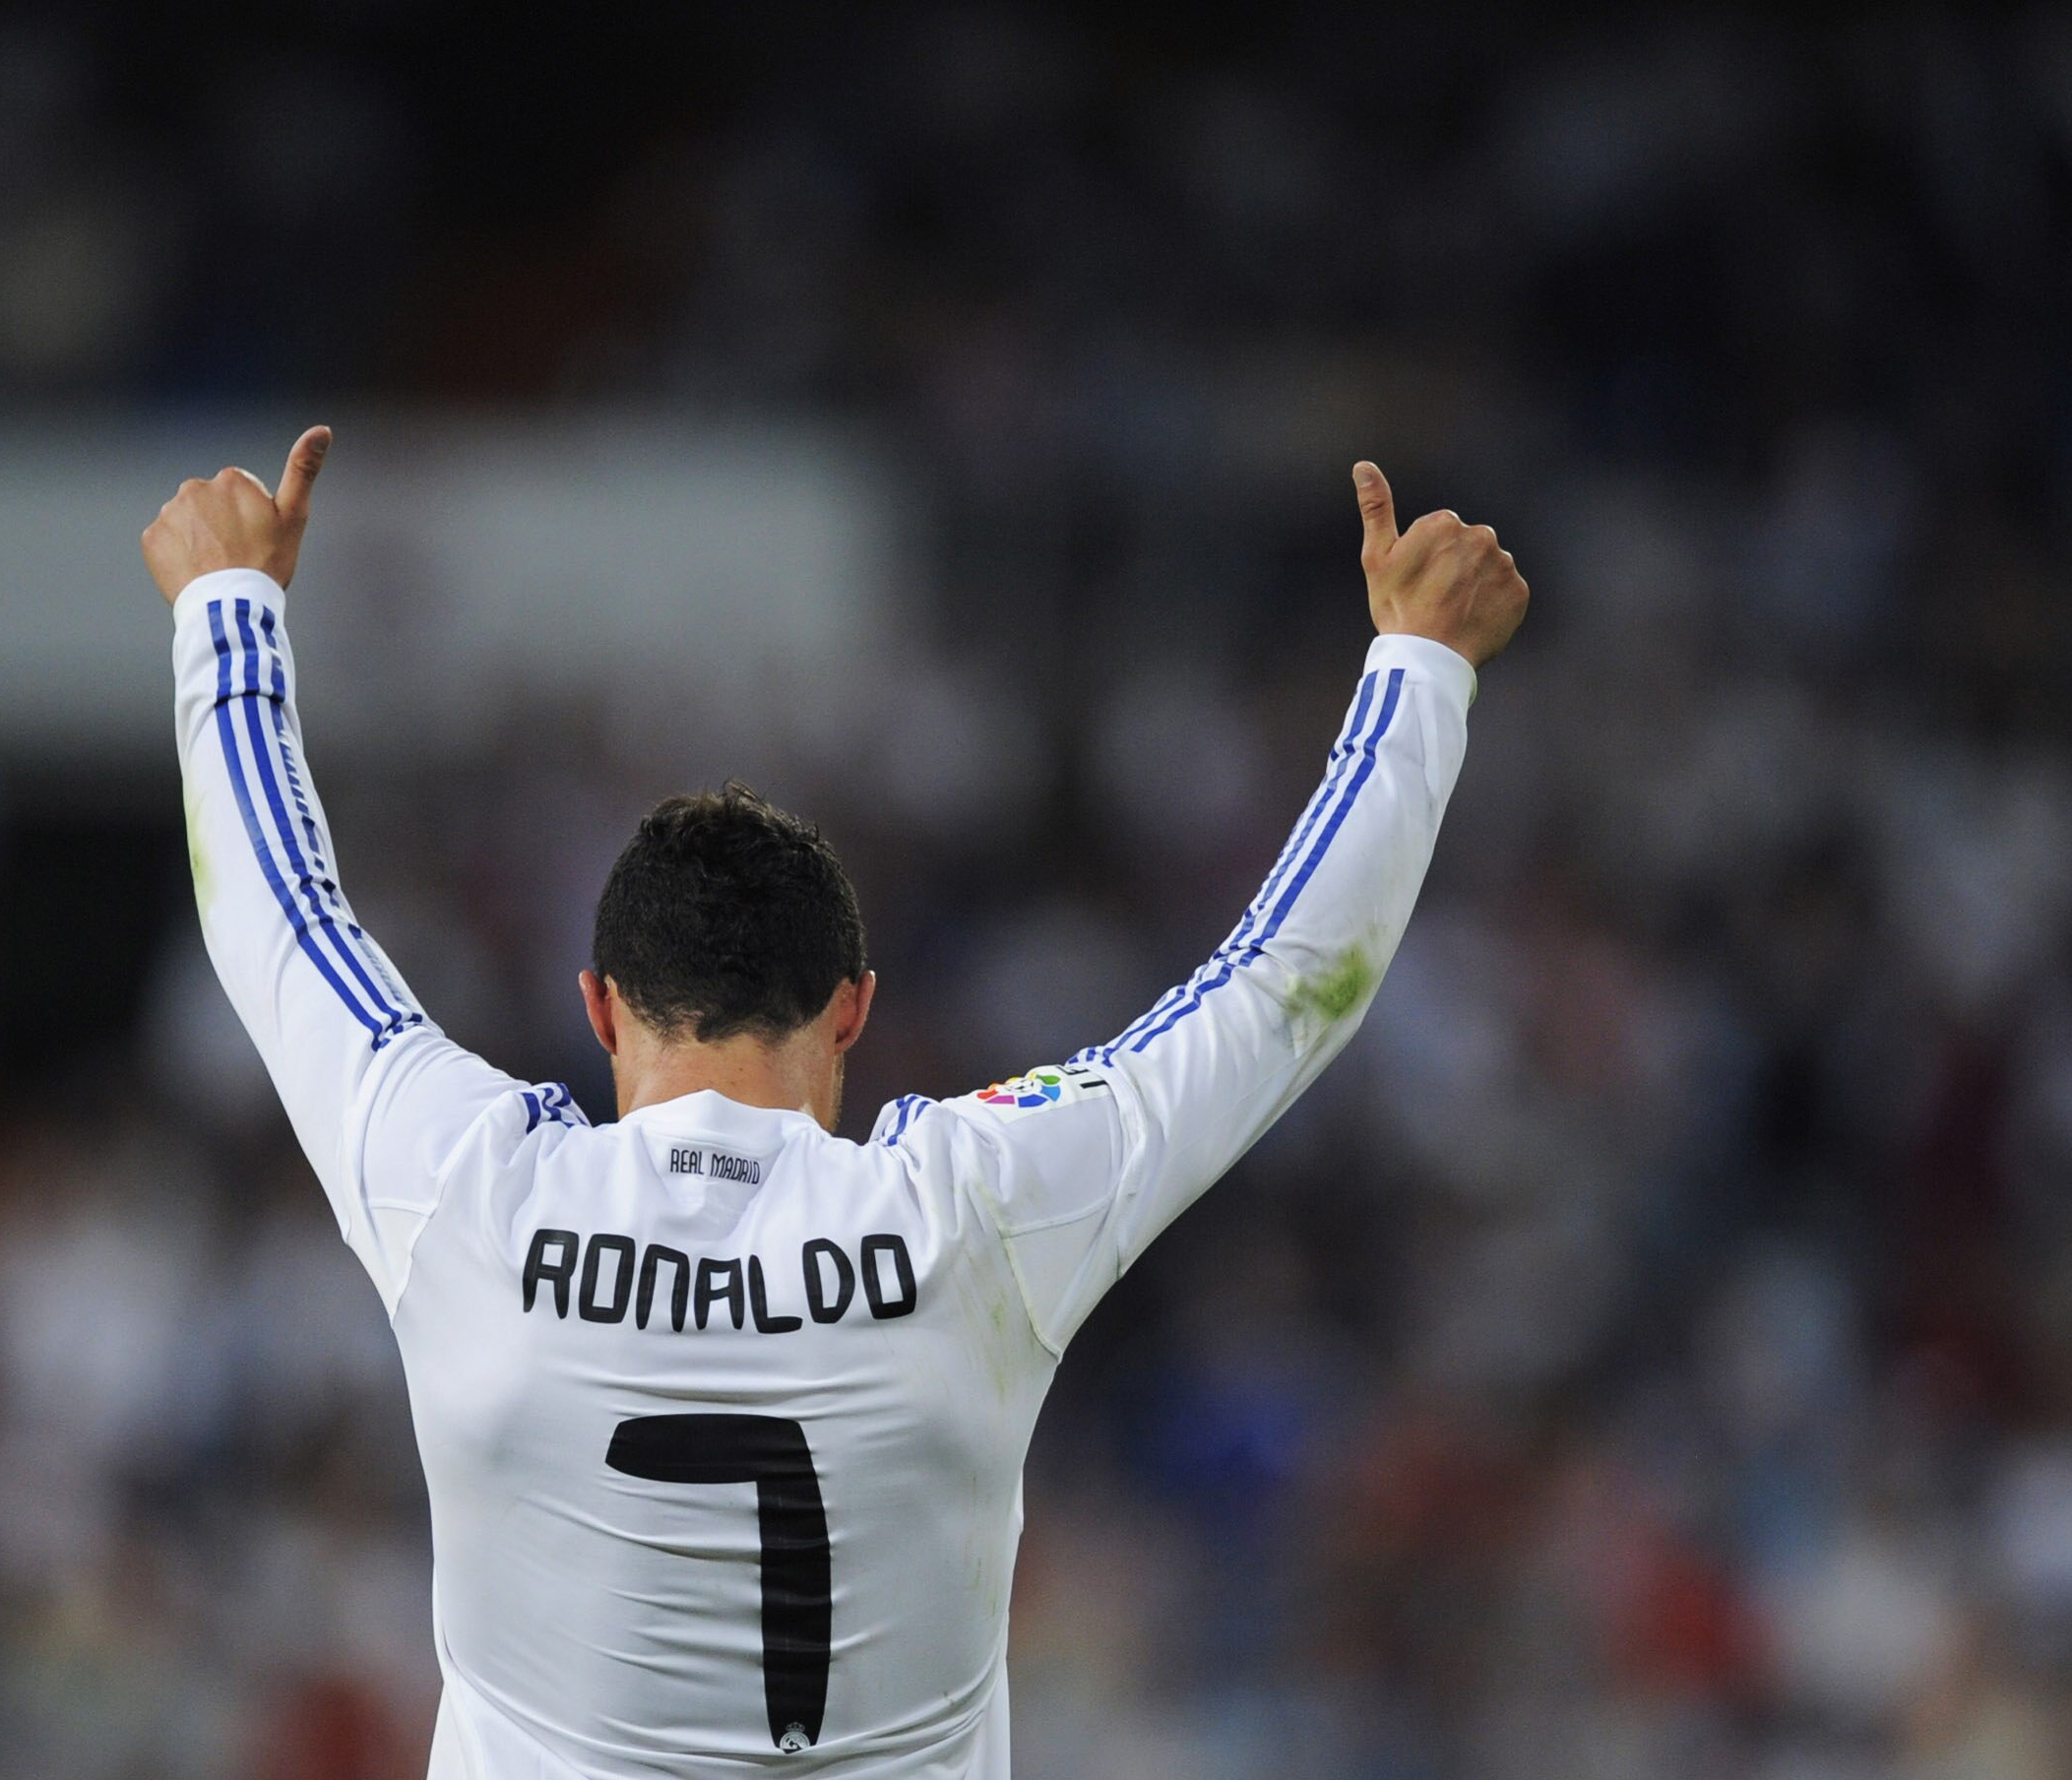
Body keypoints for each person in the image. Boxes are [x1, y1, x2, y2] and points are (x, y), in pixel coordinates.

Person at [141, 424, 1527, 1779]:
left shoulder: (470, 1190)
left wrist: (229, 609)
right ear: (854, 1010)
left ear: (599, 1008)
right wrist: (1417, 668)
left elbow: (280, 922)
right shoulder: (971, 1210)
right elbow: (1279, 991)